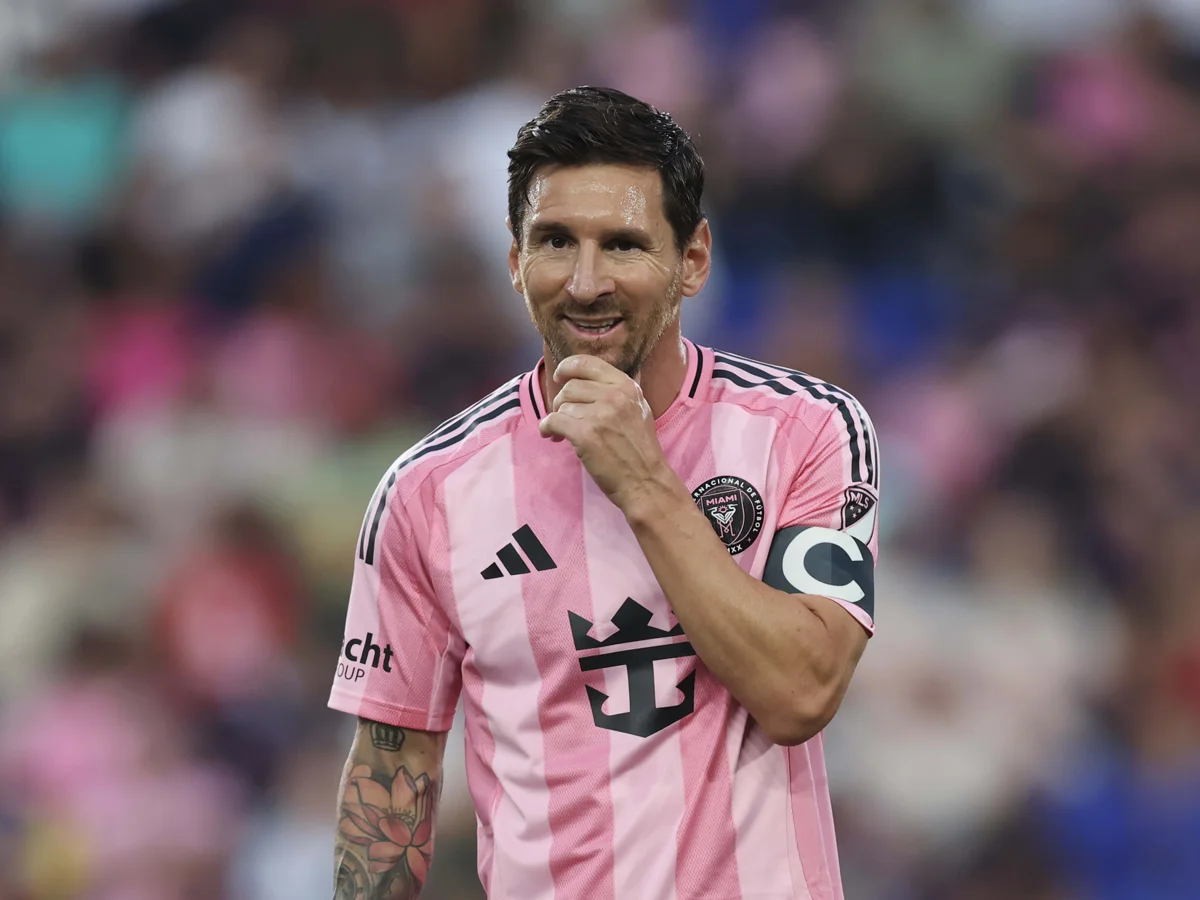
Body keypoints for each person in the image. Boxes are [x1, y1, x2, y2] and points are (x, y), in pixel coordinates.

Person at [329, 86, 880, 900]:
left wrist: (645, 481)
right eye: (555, 241)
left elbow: (802, 692)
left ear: (693, 260)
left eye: (623, 245)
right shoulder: (426, 492)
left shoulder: (810, 430)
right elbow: (391, 775)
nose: (586, 283)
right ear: (515, 261)